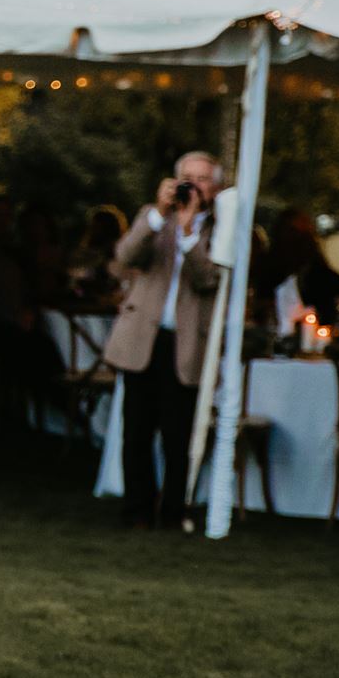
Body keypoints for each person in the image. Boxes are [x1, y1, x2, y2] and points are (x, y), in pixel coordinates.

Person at [106, 151, 223, 529]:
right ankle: (137, 508)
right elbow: (126, 256)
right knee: (136, 429)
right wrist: (158, 215)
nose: (193, 184)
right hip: (143, 337)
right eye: (186, 176)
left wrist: (189, 233)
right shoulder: (153, 217)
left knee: (178, 433)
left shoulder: (220, 230)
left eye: (202, 178)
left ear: (216, 187)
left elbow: (209, 279)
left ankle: (173, 509)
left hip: (186, 343)